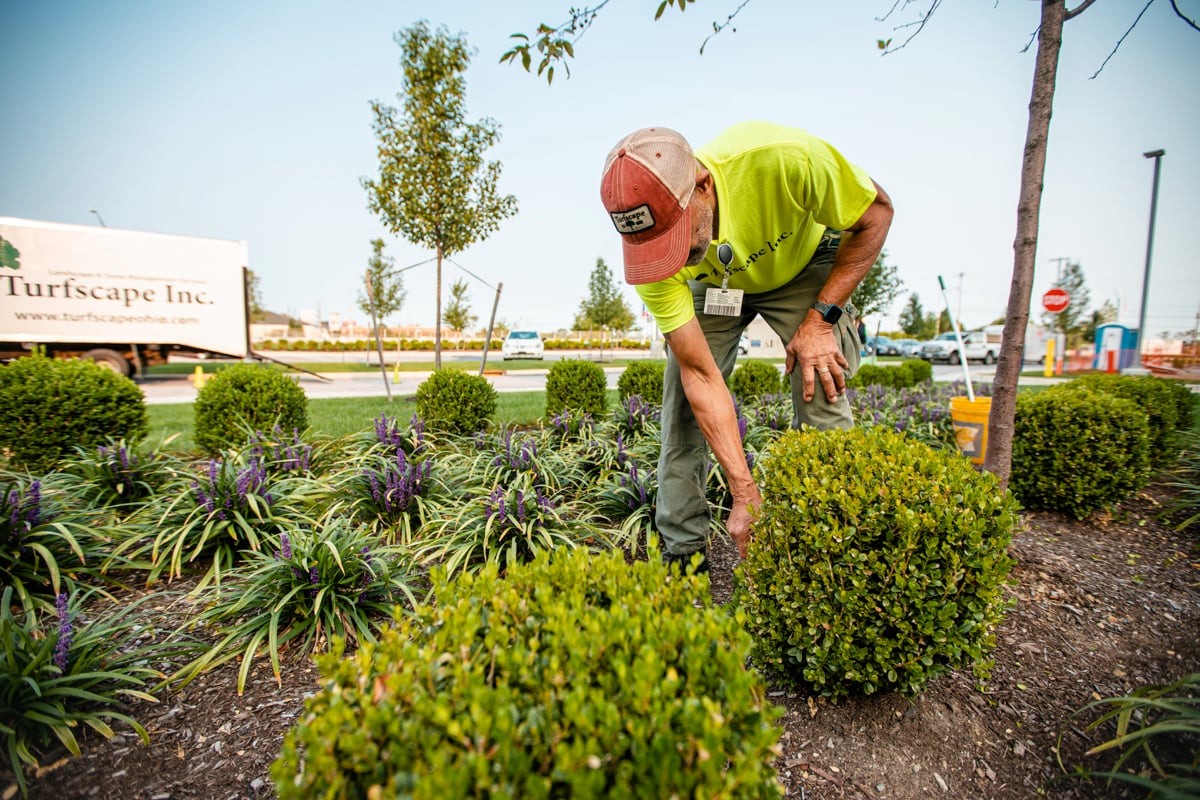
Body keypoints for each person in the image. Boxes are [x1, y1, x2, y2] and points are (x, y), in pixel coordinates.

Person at [599, 121, 892, 570]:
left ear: (703, 185)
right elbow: (701, 375)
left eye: (673, 237)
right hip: (718, 284)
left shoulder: (783, 159)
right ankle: (683, 551)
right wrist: (744, 490)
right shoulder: (657, 264)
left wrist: (820, 321)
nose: (668, 258)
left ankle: (832, 549)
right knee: (682, 401)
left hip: (803, 263)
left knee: (822, 384)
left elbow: (877, 213)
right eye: (652, 246)